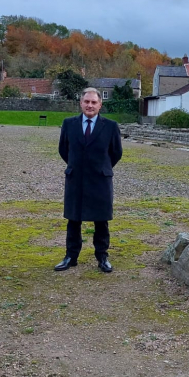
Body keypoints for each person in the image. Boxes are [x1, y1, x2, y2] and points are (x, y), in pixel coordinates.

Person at [55, 87, 123, 273]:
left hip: (100, 179)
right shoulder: (69, 124)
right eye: (87, 101)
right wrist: (77, 166)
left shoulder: (110, 126)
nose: (90, 105)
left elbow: (116, 153)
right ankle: (71, 256)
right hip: (76, 178)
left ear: (100, 105)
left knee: (101, 221)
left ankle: (102, 257)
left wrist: (102, 168)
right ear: (81, 103)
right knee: (73, 219)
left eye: (94, 102)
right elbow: (63, 149)